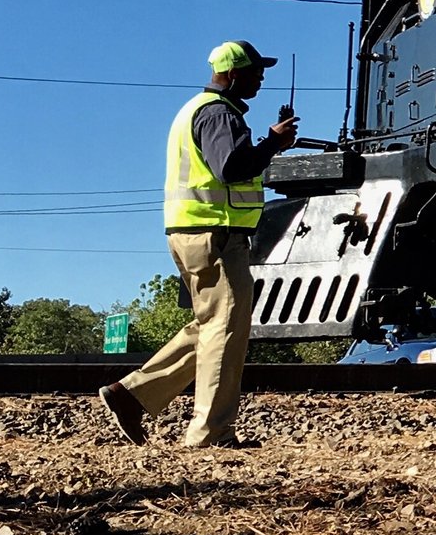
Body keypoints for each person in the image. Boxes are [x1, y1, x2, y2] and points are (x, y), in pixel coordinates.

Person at [97, 41, 298, 449]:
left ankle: (132, 394)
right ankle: (211, 432)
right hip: (214, 233)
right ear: (234, 74)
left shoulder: (198, 111)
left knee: (213, 323)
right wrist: (272, 144)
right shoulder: (219, 114)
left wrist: (267, 145)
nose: (261, 78)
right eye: (256, 71)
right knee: (225, 327)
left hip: (192, 232)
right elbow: (231, 168)